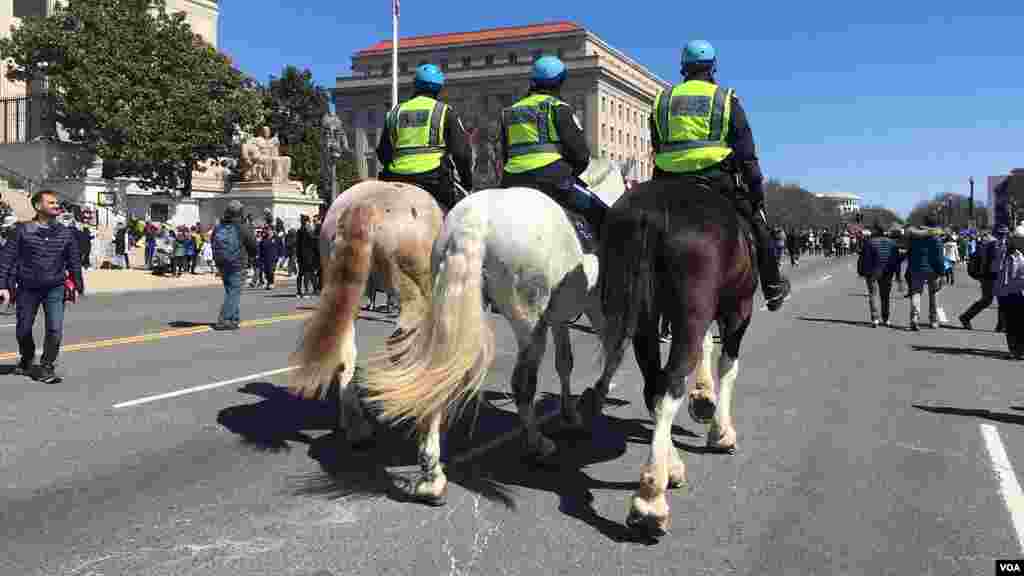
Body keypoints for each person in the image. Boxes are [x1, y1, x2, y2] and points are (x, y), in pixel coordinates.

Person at [648, 40, 790, 310]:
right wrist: (756, 193)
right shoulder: (725, 99)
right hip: (715, 179)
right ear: (713, 68)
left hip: (666, 180)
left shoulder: (663, 100)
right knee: (760, 228)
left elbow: (657, 142)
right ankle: (773, 287)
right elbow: (746, 153)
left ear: (683, 68)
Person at [499, 55, 606, 243]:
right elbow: (581, 155)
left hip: (512, 180)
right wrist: (569, 174)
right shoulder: (558, 107)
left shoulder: (509, 111)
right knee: (602, 213)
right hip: (552, 179)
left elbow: (505, 153)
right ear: (560, 82)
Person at [0, 190, 84, 383]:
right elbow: (6, 259)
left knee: (55, 329)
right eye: (51, 202)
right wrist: (2, 286)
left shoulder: (66, 233)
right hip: (27, 288)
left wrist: (77, 286)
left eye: (57, 202)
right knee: (23, 329)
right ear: (38, 206)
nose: (56, 205)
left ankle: (47, 366)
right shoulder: (22, 230)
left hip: (55, 287)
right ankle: (27, 357)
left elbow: (74, 262)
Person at [376, 64, 473, 211]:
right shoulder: (444, 111)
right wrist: (467, 182)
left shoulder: (395, 112)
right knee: (458, 216)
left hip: (396, 178)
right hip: (434, 179)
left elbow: (383, 152)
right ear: (439, 88)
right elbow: (461, 153)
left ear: (415, 85)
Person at [211, 200, 257, 331]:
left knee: (231, 291)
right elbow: (253, 244)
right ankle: (224, 319)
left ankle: (233, 319)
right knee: (234, 292)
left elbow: (213, 241)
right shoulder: (242, 227)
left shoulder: (219, 226)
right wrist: (252, 256)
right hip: (238, 263)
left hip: (222, 263)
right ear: (240, 212)